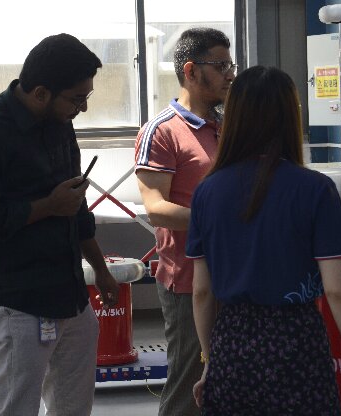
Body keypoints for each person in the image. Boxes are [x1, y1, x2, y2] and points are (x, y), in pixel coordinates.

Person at [187, 66, 341, 416]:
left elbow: (202, 291)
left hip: (232, 346)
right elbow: (337, 289)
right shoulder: (315, 190)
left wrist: (210, 361)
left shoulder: (206, 192)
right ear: (290, 117)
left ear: (233, 118)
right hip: (296, 345)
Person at [0, 33, 120, 416]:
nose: (82, 108)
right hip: (19, 304)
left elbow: (75, 205)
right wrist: (48, 206)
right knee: (18, 408)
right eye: (76, 99)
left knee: (74, 408)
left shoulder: (59, 122)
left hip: (71, 296)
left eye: (87, 98)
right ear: (41, 92)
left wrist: (101, 270)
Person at [134, 27, 236, 416]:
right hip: (189, 282)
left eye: (232, 65)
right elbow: (156, 208)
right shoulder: (162, 131)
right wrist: (220, 224)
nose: (230, 74)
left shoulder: (229, 125)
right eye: (221, 66)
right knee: (188, 387)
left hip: (238, 274)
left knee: (234, 381)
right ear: (191, 70)